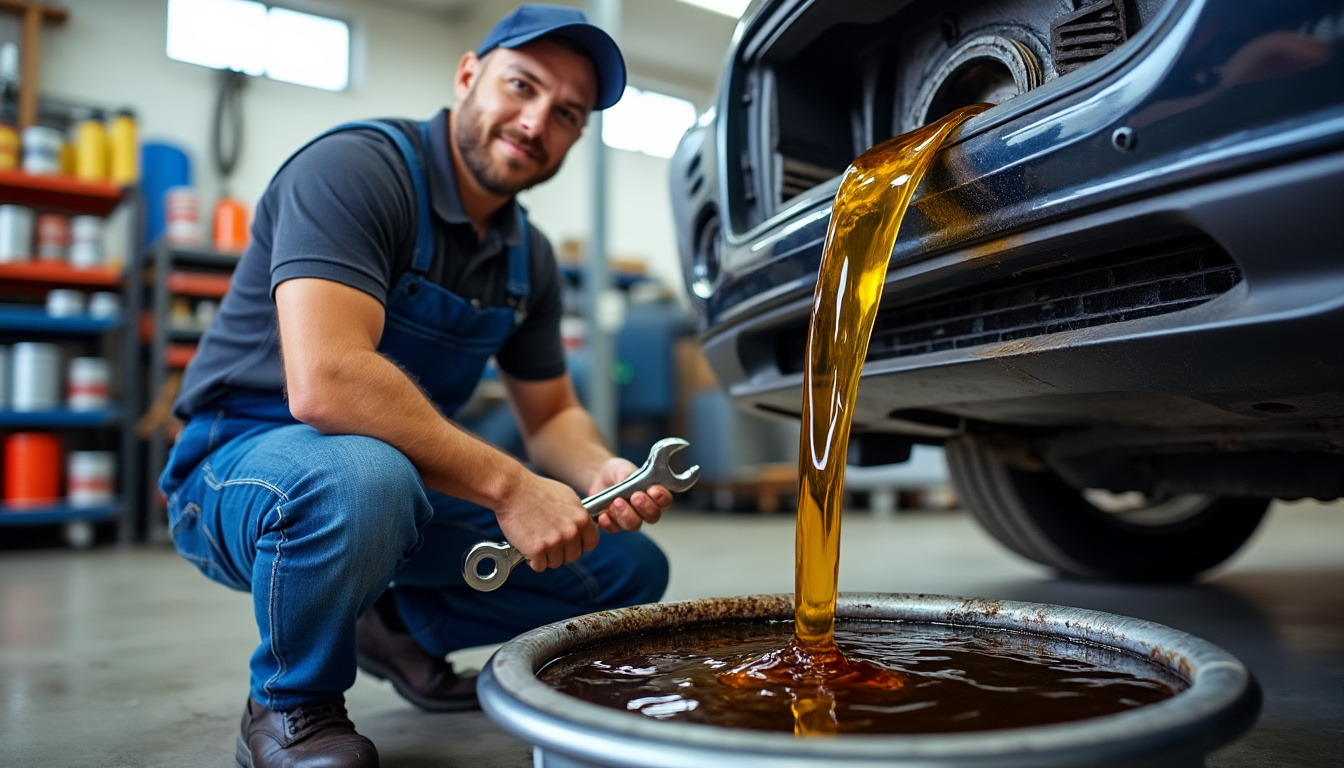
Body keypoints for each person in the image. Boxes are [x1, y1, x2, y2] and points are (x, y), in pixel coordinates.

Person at [160, 6, 675, 767]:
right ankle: (289, 706)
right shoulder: (357, 171)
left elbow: (553, 411)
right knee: (367, 477)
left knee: (624, 568)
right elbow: (328, 384)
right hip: (238, 469)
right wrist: (509, 489)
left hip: (394, 488)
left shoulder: (525, 257)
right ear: (469, 74)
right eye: (521, 86)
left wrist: (594, 470)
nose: (536, 121)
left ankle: (389, 627)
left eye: (566, 114)